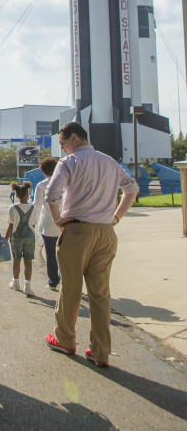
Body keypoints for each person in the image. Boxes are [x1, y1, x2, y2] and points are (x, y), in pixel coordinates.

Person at [45, 121, 139, 368]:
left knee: (71, 289)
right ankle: (101, 351)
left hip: (77, 230)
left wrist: (57, 219)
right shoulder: (109, 162)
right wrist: (116, 216)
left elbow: (52, 195)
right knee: (100, 294)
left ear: (73, 138)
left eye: (62, 143)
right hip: (106, 231)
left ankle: (65, 338)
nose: (62, 149)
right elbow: (132, 189)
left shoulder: (70, 162)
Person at [33, 157, 60, 290]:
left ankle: (53, 282)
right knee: (65, 254)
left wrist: (32, 222)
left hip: (48, 225)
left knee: (50, 254)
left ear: (43, 170)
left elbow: (37, 207)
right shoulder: (65, 183)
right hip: (65, 224)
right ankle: (67, 279)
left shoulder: (41, 185)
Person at [5, 181, 36, 296]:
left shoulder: (12, 208)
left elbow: (11, 226)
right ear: (28, 195)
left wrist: (5, 239)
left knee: (16, 260)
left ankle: (16, 283)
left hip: (16, 238)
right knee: (28, 262)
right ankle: (27, 286)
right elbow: (33, 225)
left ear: (17, 195)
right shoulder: (33, 207)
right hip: (30, 237)